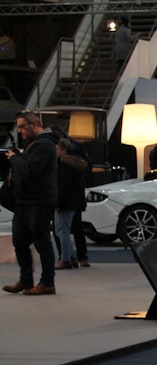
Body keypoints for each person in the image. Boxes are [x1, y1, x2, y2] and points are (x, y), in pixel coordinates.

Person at [3, 111, 58, 295]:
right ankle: (26, 280)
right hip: (25, 202)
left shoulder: (45, 145)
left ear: (34, 124)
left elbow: (30, 169)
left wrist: (15, 158)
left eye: (22, 127)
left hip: (38, 202)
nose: (20, 131)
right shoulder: (35, 145)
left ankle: (47, 282)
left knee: (42, 242)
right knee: (20, 241)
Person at [53, 138, 88, 271]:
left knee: (62, 231)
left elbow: (63, 186)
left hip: (66, 202)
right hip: (75, 201)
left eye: (57, 149)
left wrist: (58, 203)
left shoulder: (64, 165)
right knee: (64, 230)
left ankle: (65, 258)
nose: (55, 151)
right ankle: (72, 256)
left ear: (63, 150)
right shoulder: (74, 164)